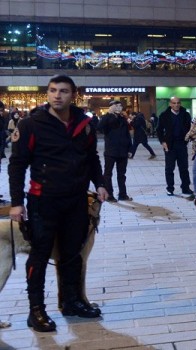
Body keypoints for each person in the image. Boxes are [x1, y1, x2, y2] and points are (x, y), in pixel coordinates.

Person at [8, 74, 109, 332]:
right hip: (43, 201)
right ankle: (36, 310)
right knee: (39, 256)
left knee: (72, 254)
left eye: (63, 91)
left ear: (72, 94)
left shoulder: (84, 124)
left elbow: (91, 158)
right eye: (53, 90)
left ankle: (72, 302)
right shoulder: (32, 124)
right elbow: (17, 165)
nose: (57, 95)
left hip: (75, 200)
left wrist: (100, 183)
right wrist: (17, 203)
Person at [157, 96, 193, 196]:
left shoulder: (185, 115)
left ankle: (185, 188)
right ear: (170, 104)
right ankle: (170, 188)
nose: (176, 105)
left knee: (184, 168)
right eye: (174, 103)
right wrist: (163, 142)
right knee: (169, 168)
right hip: (170, 146)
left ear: (180, 103)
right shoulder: (164, 115)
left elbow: (190, 128)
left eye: (178, 103)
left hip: (182, 145)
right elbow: (159, 130)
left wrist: (188, 139)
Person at [97, 100, 133, 202]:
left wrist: (130, 149)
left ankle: (122, 194)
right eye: (117, 106)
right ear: (111, 107)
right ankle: (109, 195)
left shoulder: (123, 118)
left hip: (122, 151)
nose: (119, 107)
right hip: (111, 151)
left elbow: (127, 135)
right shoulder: (107, 118)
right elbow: (99, 127)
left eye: (120, 106)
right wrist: (108, 113)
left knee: (122, 174)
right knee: (108, 174)